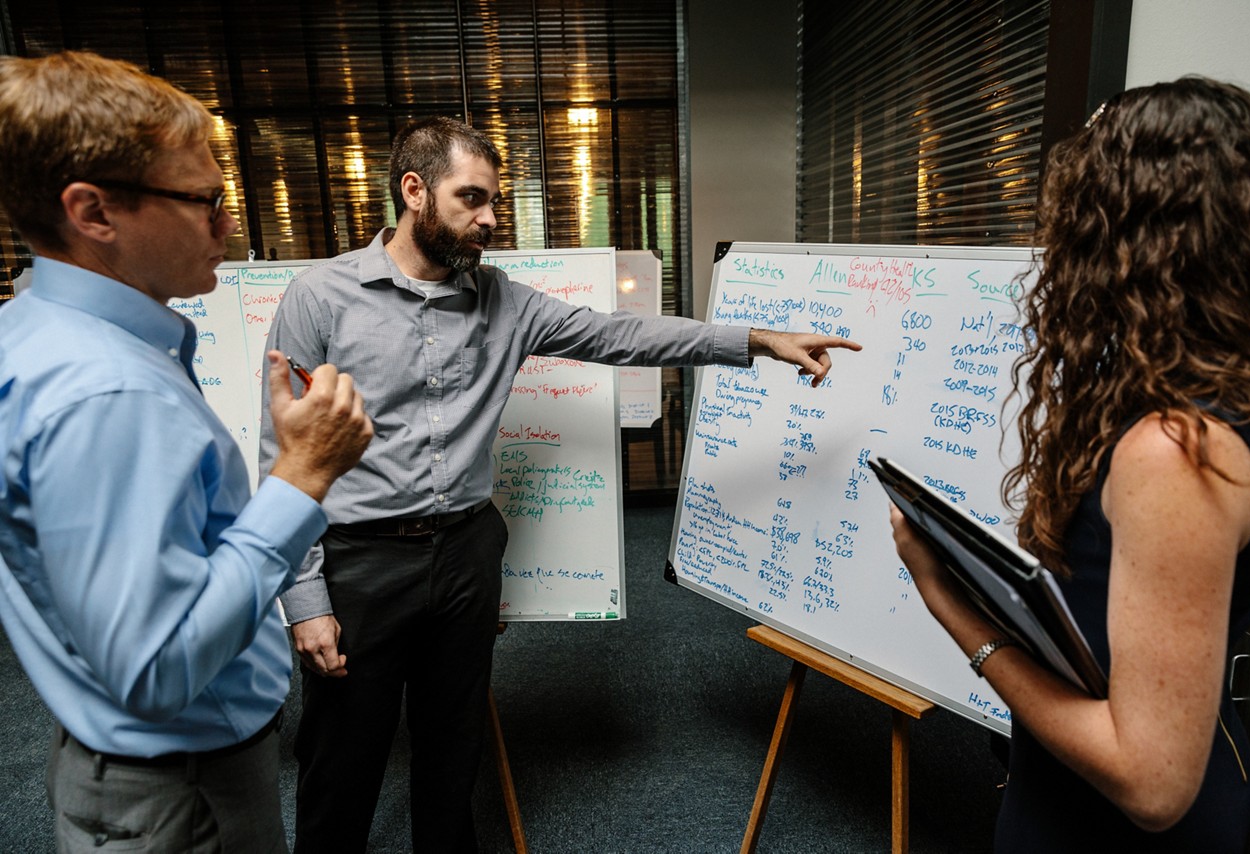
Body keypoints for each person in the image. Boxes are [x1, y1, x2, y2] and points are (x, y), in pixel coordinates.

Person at [259, 115, 862, 851]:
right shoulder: (319, 297)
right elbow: (280, 459)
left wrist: (756, 342)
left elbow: (622, 334)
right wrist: (306, 601)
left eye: (494, 202)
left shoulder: (505, 301)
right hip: (359, 560)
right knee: (342, 762)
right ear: (413, 191)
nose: (489, 220)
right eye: (471, 199)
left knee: (454, 751)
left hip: (466, 554)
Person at [889, 77, 1250, 852]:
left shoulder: (1177, 450)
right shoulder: (1240, 386)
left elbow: (1150, 783)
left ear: (1117, 238)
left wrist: (954, 607)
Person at [0, 51, 374, 852]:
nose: (228, 223)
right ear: (93, 213)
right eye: (204, 200)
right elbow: (157, 669)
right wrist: (303, 474)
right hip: (181, 792)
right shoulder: (107, 394)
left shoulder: (34, 326)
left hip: (129, 765)